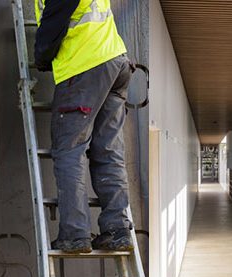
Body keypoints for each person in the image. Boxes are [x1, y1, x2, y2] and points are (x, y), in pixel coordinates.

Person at [34, 0, 137, 253]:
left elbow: (54, 21)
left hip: (84, 67)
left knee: (70, 151)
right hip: (114, 62)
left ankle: (74, 234)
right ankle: (117, 230)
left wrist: (42, 56)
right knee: (108, 152)